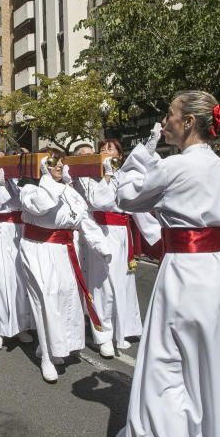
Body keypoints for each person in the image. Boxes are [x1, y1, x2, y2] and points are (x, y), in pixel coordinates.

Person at [112, 90, 220, 437]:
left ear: (189, 122)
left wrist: (137, 156)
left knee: (164, 373)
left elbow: (126, 197)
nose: (165, 121)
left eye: (170, 115)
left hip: (186, 275)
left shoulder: (178, 166)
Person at [19, 153, 111, 383]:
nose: (58, 167)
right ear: (42, 167)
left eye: (60, 163)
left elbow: (84, 220)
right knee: (46, 300)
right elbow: (41, 206)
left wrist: (102, 246)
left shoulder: (70, 193)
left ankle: (55, 346)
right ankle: (47, 356)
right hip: (39, 249)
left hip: (65, 251)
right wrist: (50, 181)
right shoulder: (30, 190)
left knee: (66, 298)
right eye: (52, 163)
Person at [83, 138, 144, 358]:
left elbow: (137, 203)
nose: (105, 151)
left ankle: (123, 329)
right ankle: (104, 335)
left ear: (119, 154)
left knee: (124, 283)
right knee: (103, 286)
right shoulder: (91, 178)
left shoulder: (125, 176)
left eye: (110, 148)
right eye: (102, 148)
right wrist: (106, 175)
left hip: (121, 233)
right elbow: (100, 202)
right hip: (101, 231)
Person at [0, 146, 34, 349]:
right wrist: (0, 186)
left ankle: (21, 325)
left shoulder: (16, 180)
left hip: (18, 230)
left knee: (20, 280)